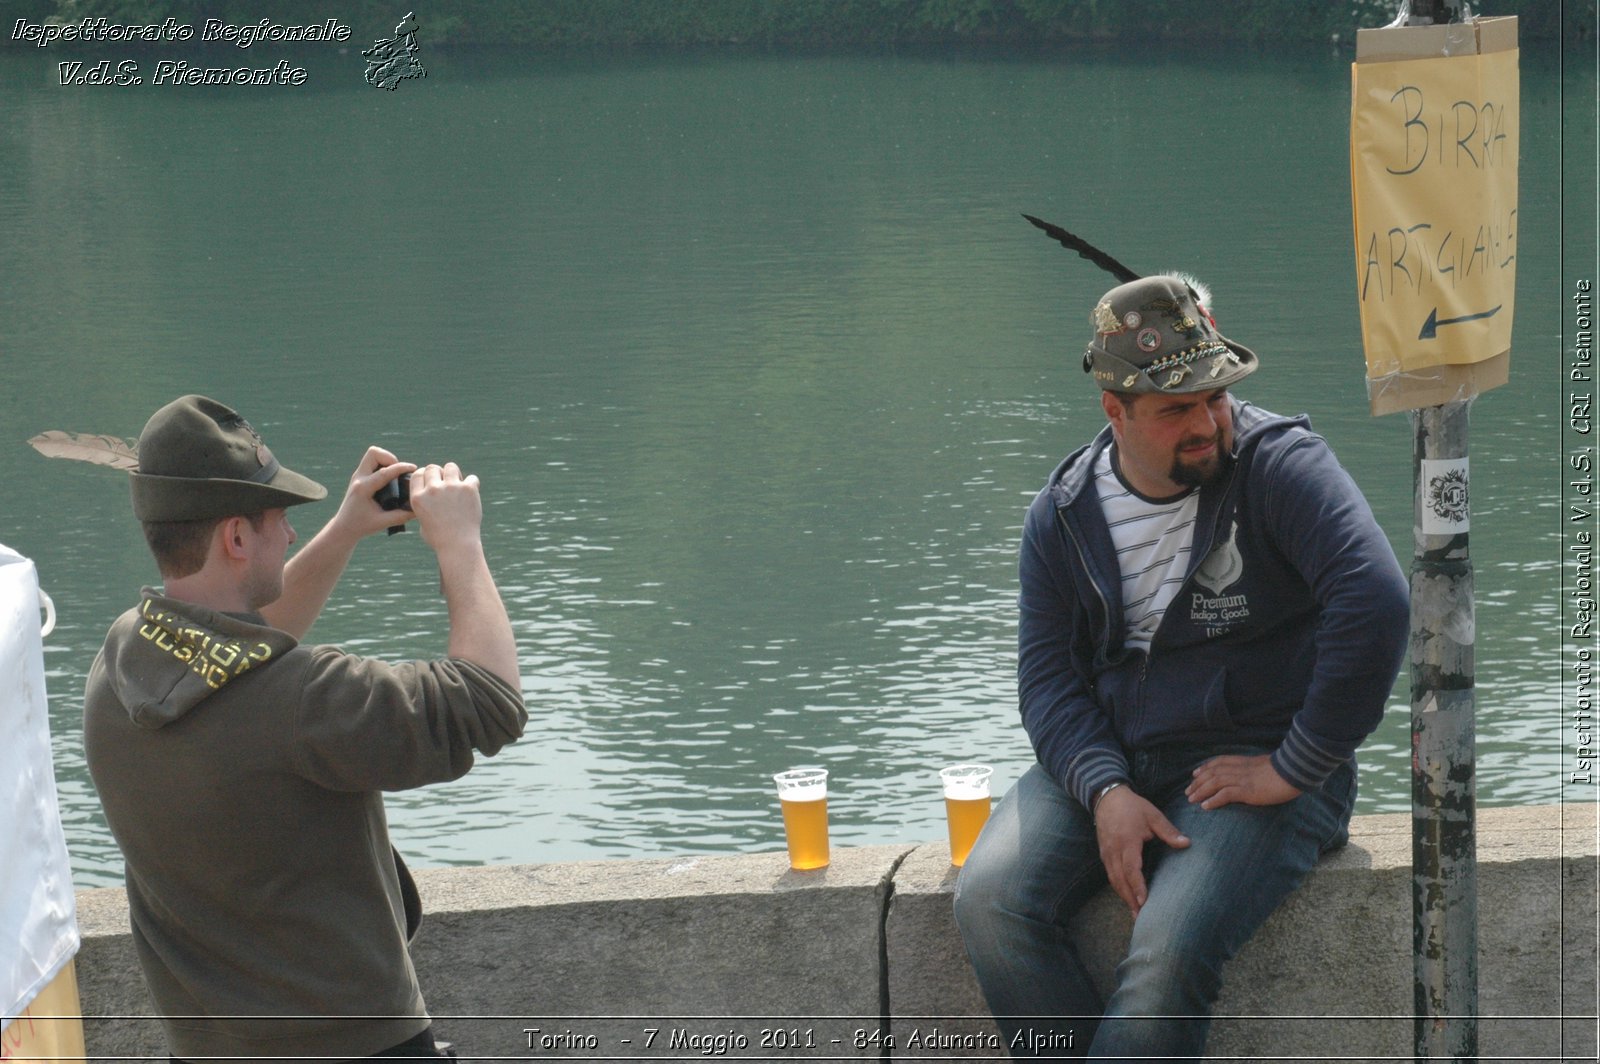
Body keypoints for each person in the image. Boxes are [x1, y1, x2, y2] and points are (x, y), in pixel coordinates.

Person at [952, 274, 1409, 1059]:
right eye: (1175, 409)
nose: (1206, 424)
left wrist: (1296, 765)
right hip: (1116, 760)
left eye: (1216, 397)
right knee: (989, 902)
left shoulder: (1280, 467)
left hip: (1259, 762)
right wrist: (1103, 789)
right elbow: (1048, 683)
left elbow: (1375, 601)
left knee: (1163, 953)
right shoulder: (1062, 513)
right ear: (1114, 410)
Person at [83, 395, 527, 1062]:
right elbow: (488, 703)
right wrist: (459, 544)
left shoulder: (122, 663)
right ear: (236, 537)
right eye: (279, 521)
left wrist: (346, 530)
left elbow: (240, 650)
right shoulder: (301, 701)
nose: (290, 535)